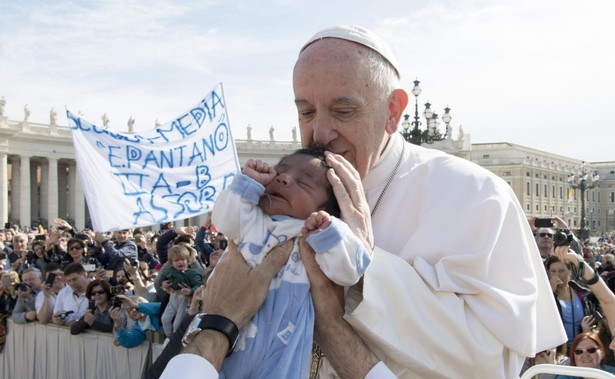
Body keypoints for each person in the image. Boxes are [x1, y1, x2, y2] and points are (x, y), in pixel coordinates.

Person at [163, 25, 565, 379]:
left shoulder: (473, 195)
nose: (320, 132)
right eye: (305, 111)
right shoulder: (287, 186)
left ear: (393, 111)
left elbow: (487, 362)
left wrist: (362, 267)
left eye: (343, 110)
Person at [211, 146, 370, 378]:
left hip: (283, 360)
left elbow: (349, 272)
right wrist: (248, 183)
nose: (284, 179)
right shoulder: (252, 221)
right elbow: (224, 220)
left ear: (326, 209)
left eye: (304, 183)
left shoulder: (318, 239)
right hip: (228, 346)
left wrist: (330, 231)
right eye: (279, 172)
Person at [159, 245, 202, 337]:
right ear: (171, 263)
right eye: (176, 260)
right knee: (165, 319)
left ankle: (176, 339)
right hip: (173, 296)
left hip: (184, 299)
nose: (180, 262)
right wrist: (163, 283)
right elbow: (160, 279)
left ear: (188, 260)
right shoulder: (170, 271)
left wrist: (190, 291)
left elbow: (198, 286)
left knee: (177, 324)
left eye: (182, 259)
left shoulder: (193, 273)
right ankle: (169, 338)